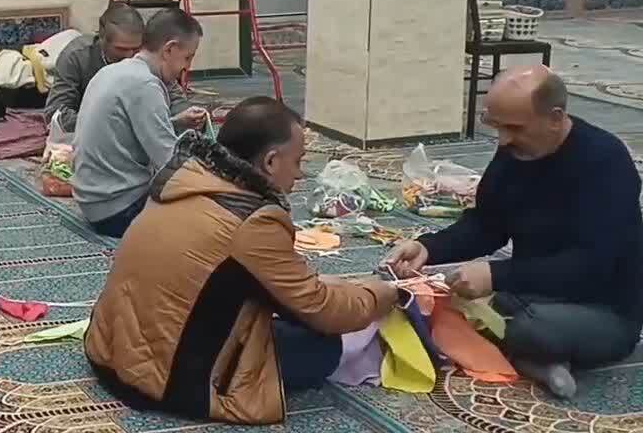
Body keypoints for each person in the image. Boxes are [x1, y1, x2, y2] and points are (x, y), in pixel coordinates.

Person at [86, 98, 399, 425]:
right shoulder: (252, 222)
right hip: (169, 382)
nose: (300, 173)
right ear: (271, 161)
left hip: (109, 353)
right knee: (322, 346)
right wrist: (380, 294)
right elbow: (322, 309)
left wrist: (327, 287)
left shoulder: (185, 178)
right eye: (297, 161)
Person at [385, 66, 642, 399]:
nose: (503, 139)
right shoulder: (515, 151)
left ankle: (534, 354)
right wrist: (428, 248)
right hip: (534, 293)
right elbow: (487, 224)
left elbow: (592, 266)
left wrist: (496, 275)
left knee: (530, 327)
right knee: (445, 302)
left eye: (514, 128)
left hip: (604, 309)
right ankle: (539, 360)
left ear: (555, 118)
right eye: (496, 126)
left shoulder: (605, 162)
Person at [71, 8, 210, 237]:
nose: (187, 67)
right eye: (187, 57)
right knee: (213, 214)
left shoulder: (111, 72)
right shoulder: (145, 85)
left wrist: (175, 123)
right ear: (169, 49)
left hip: (92, 202)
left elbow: (126, 131)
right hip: (119, 211)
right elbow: (170, 163)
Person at [43, 3, 190, 132]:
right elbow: (55, 114)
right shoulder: (76, 57)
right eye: (121, 49)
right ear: (102, 38)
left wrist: (186, 116)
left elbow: (174, 96)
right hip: (96, 132)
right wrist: (112, 123)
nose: (129, 56)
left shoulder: (147, 55)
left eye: (135, 49)